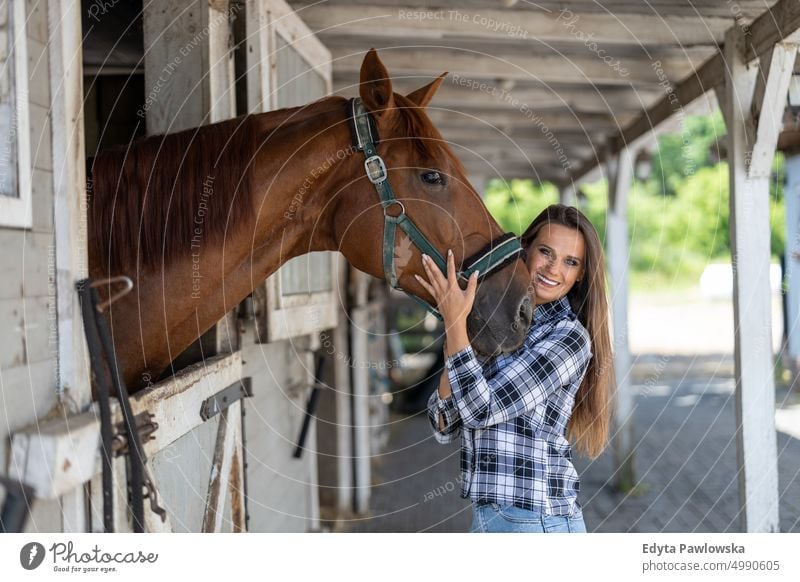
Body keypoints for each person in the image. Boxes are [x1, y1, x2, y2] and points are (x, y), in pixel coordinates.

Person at [416, 204, 614, 533]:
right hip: (493, 516)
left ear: (580, 274)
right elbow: (444, 423)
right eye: (546, 252)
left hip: (536, 520)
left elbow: (482, 410)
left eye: (571, 262)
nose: (553, 269)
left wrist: (454, 322)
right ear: (524, 250)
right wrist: (461, 326)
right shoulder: (496, 322)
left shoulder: (568, 339)